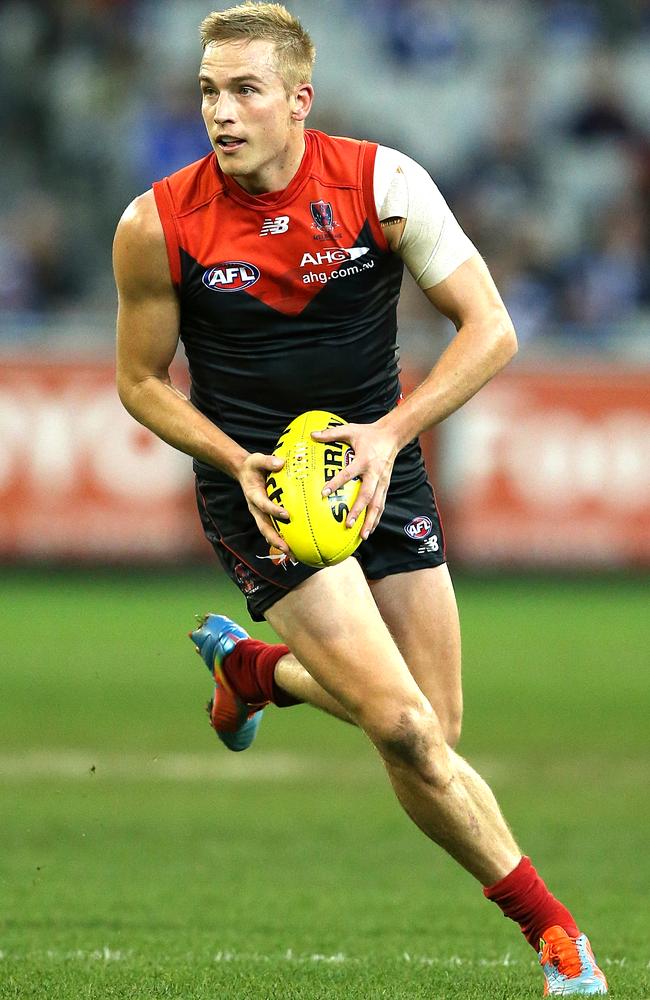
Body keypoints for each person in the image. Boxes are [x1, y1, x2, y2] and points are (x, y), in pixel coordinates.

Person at [113, 3, 607, 994]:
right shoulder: (156, 222)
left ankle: (255, 673)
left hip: (380, 466)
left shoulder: (380, 185)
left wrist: (389, 435)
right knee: (405, 731)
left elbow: (490, 328)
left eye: (245, 90)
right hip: (258, 493)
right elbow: (138, 380)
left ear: (300, 99)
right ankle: (556, 939)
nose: (221, 110)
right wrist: (233, 459)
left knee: (434, 720)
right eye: (209, 89)